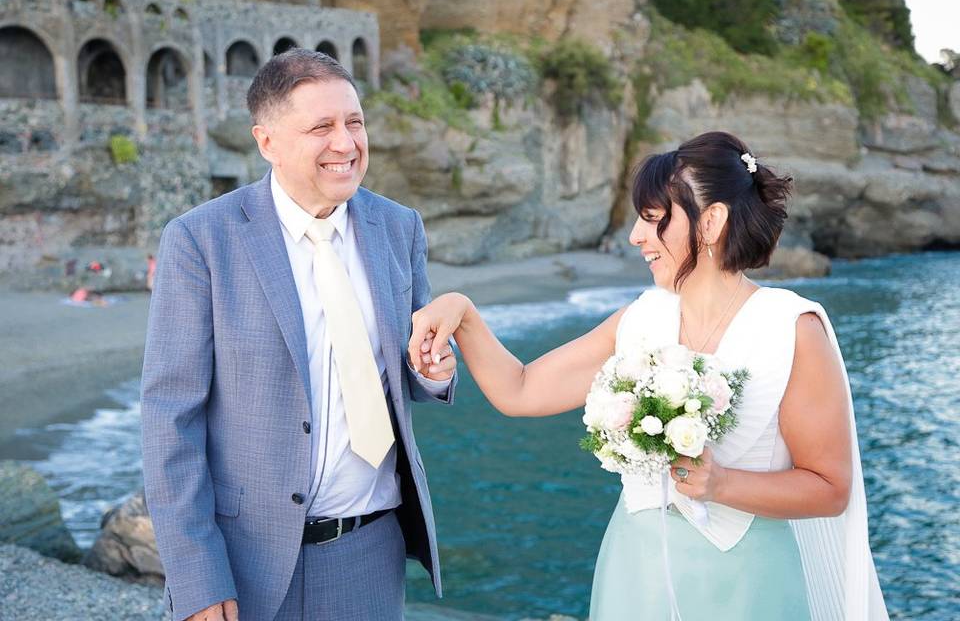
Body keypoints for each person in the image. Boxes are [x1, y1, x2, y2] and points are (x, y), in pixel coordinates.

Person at [409, 131, 888, 620]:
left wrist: (721, 484)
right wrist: (462, 313)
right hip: (635, 572)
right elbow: (521, 389)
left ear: (712, 221)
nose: (636, 236)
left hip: (747, 582)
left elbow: (830, 488)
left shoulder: (792, 330)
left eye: (654, 219)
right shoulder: (642, 318)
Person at [141, 49, 458, 621]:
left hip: (370, 554)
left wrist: (433, 372)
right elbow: (170, 418)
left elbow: (408, 361)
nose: (346, 143)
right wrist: (196, 576)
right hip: (244, 562)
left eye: (354, 122)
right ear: (268, 143)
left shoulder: (399, 226)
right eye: (322, 127)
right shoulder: (200, 240)